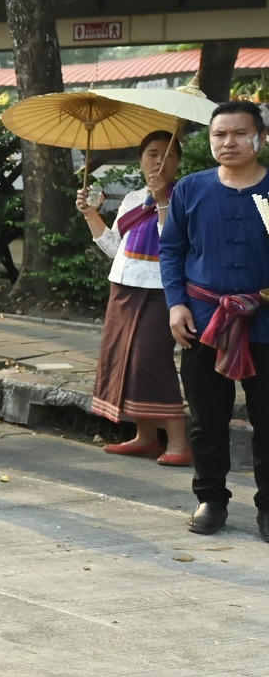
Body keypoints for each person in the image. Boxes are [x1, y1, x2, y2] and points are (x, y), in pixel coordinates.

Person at [160, 99, 269, 540]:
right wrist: (176, 303)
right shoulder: (190, 188)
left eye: (240, 133)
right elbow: (172, 250)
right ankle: (211, 498)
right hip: (204, 323)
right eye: (219, 134)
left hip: (264, 324)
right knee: (207, 418)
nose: (229, 142)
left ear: (260, 138)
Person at [79, 131, 188, 464]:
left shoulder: (184, 196)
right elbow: (114, 247)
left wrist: (162, 201)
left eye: (168, 155)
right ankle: (144, 436)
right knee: (124, 361)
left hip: (160, 289)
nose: (159, 161)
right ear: (141, 159)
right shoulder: (131, 199)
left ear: (178, 162)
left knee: (150, 361)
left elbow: (173, 242)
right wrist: (90, 214)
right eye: (152, 154)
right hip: (123, 286)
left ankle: (180, 443)